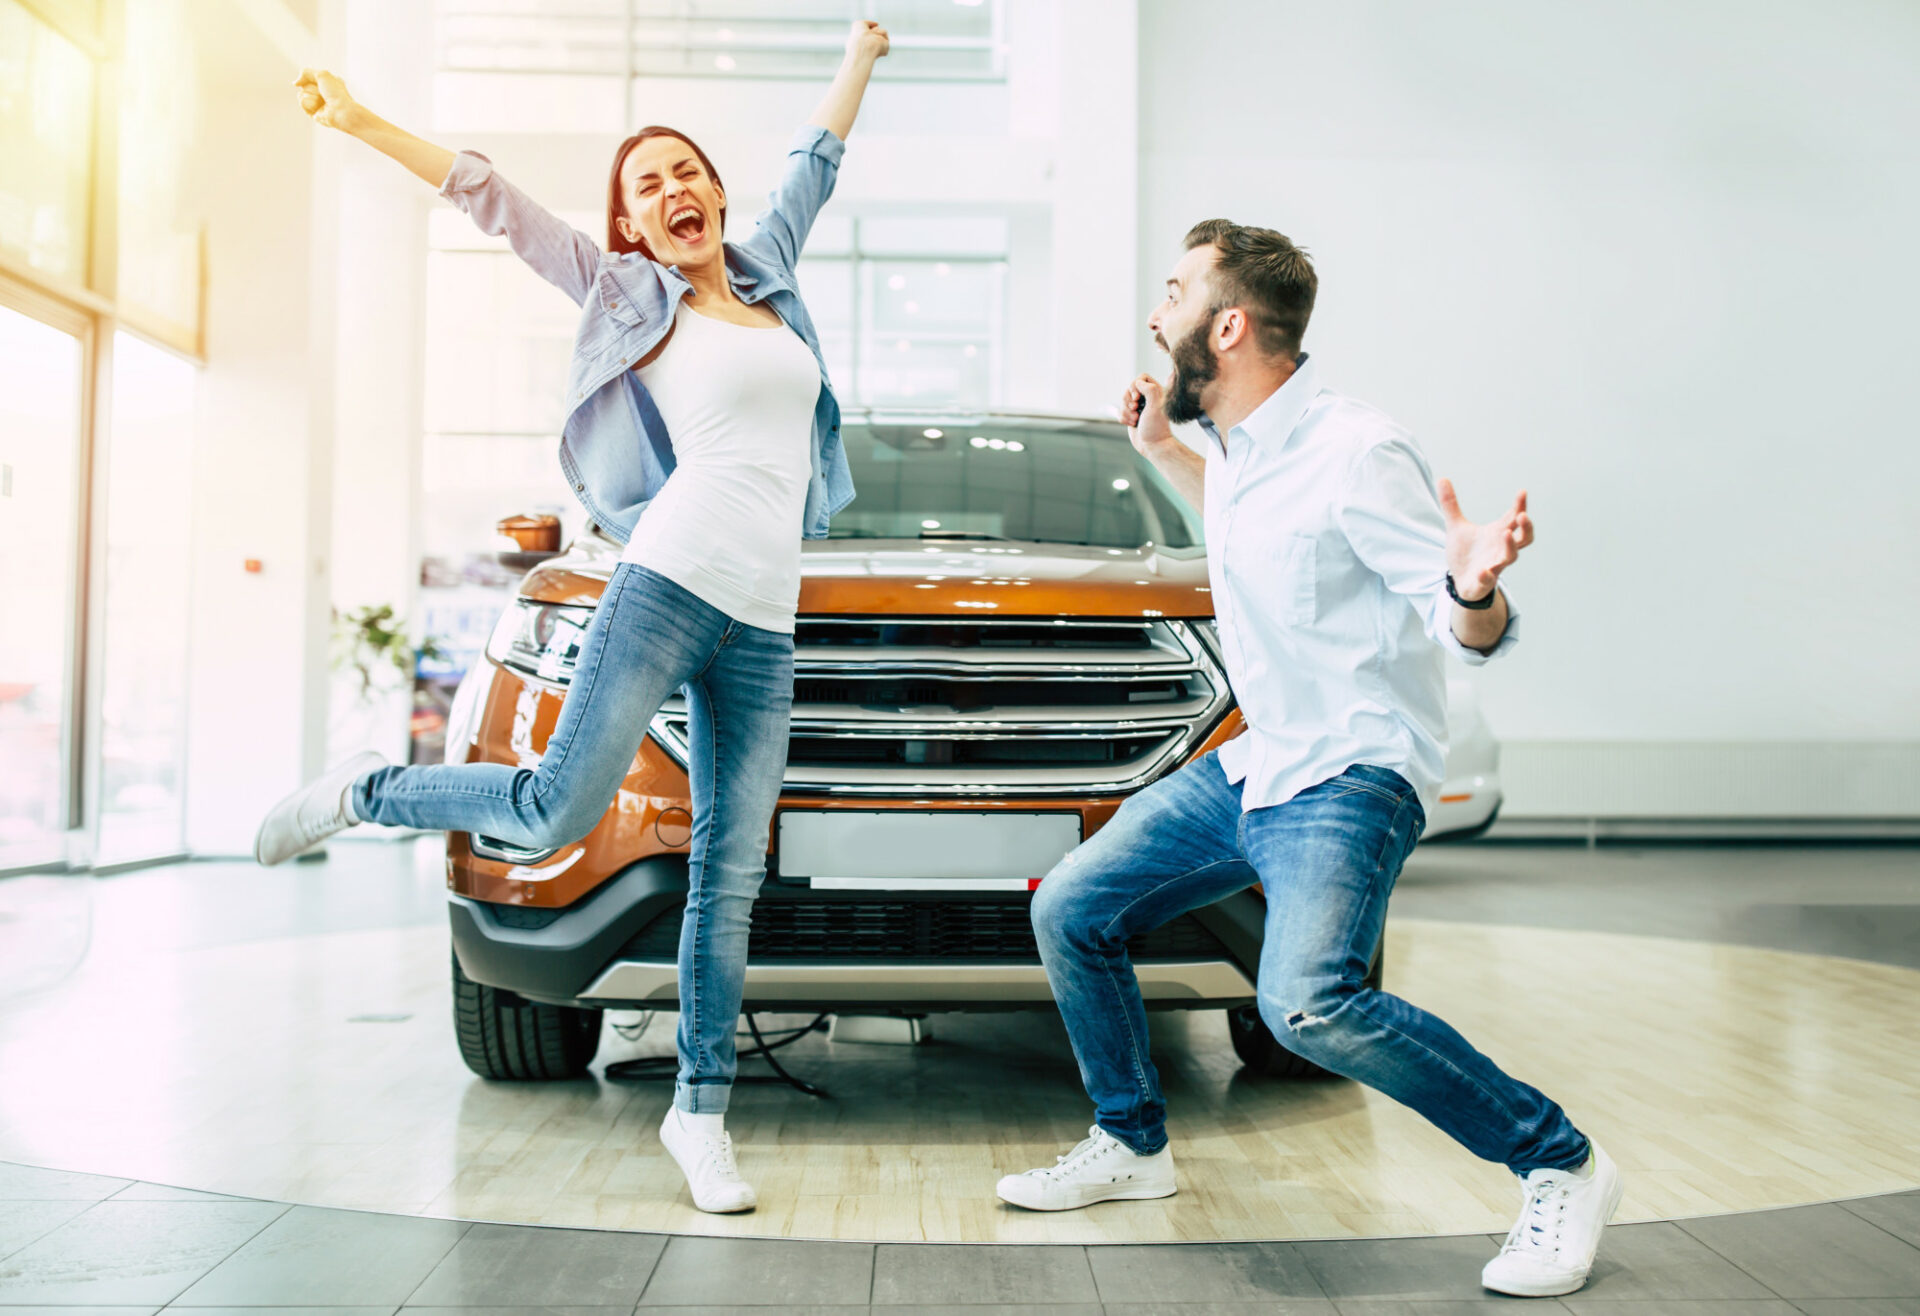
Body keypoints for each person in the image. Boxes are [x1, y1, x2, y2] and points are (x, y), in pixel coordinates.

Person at [255, 20, 892, 1216]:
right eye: (647, 184)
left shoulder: (767, 276)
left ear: (712, 191)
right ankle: (364, 790)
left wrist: (860, 52)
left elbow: (816, 158)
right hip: (665, 577)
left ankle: (699, 1112)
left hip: (764, 617)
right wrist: (356, 119)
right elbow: (488, 198)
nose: (674, 189)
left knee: (729, 872)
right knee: (556, 800)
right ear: (632, 224)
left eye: (687, 169)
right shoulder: (619, 290)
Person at [996, 220, 1621, 1299]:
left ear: (1227, 325)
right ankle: (1133, 1142)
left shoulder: (1355, 449)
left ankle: (1560, 1160)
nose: (1157, 311)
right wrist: (1161, 452)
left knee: (1311, 1005)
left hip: (1349, 773)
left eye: (1177, 290)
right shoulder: (1238, 446)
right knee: (1072, 905)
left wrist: (1473, 583)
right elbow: (1248, 520)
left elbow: (1458, 617)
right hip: (1256, 765)